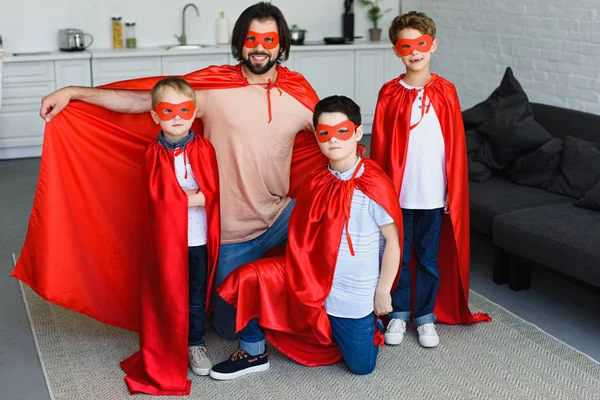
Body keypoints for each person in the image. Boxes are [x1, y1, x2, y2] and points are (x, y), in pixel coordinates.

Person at [15, 0, 325, 353]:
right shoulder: (213, 89)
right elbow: (143, 100)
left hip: (280, 215)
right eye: (252, 39)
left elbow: (332, 139)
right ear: (240, 43)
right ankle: (259, 294)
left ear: (282, 46)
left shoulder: (299, 94)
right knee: (225, 327)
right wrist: (75, 92)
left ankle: (338, 309)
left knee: (336, 221)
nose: (259, 47)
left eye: (269, 40)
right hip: (231, 234)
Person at [211, 95, 403, 380]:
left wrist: (383, 291)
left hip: (353, 294)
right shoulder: (316, 180)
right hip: (310, 280)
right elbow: (302, 240)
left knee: (362, 366)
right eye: (325, 133)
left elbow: (394, 243)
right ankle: (254, 350)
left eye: (342, 131)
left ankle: (368, 326)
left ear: (358, 132)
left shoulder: (374, 183)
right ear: (317, 137)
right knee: (248, 278)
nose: (333, 140)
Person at [370, 11, 491, 349]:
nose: (414, 52)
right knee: (397, 254)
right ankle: (398, 312)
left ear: (432, 45)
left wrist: (453, 191)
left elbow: (454, 147)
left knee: (427, 256)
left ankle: (424, 317)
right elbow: (380, 145)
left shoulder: (446, 91)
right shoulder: (389, 94)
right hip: (399, 194)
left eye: (420, 44)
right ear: (397, 50)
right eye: (406, 46)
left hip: (434, 195)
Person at [116, 77, 221, 395]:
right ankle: (168, 344)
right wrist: (188, 197)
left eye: (184, 109)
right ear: (155, 115)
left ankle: (195, 344)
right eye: (168, 110)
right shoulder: (152, 155)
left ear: (194, 113)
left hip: (198, 238)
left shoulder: (204, 149)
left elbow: (211, 195)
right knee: (167, 293)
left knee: (195, 295)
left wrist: (178, 199)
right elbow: (156, 203)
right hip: (166, 244)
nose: (177, 116)